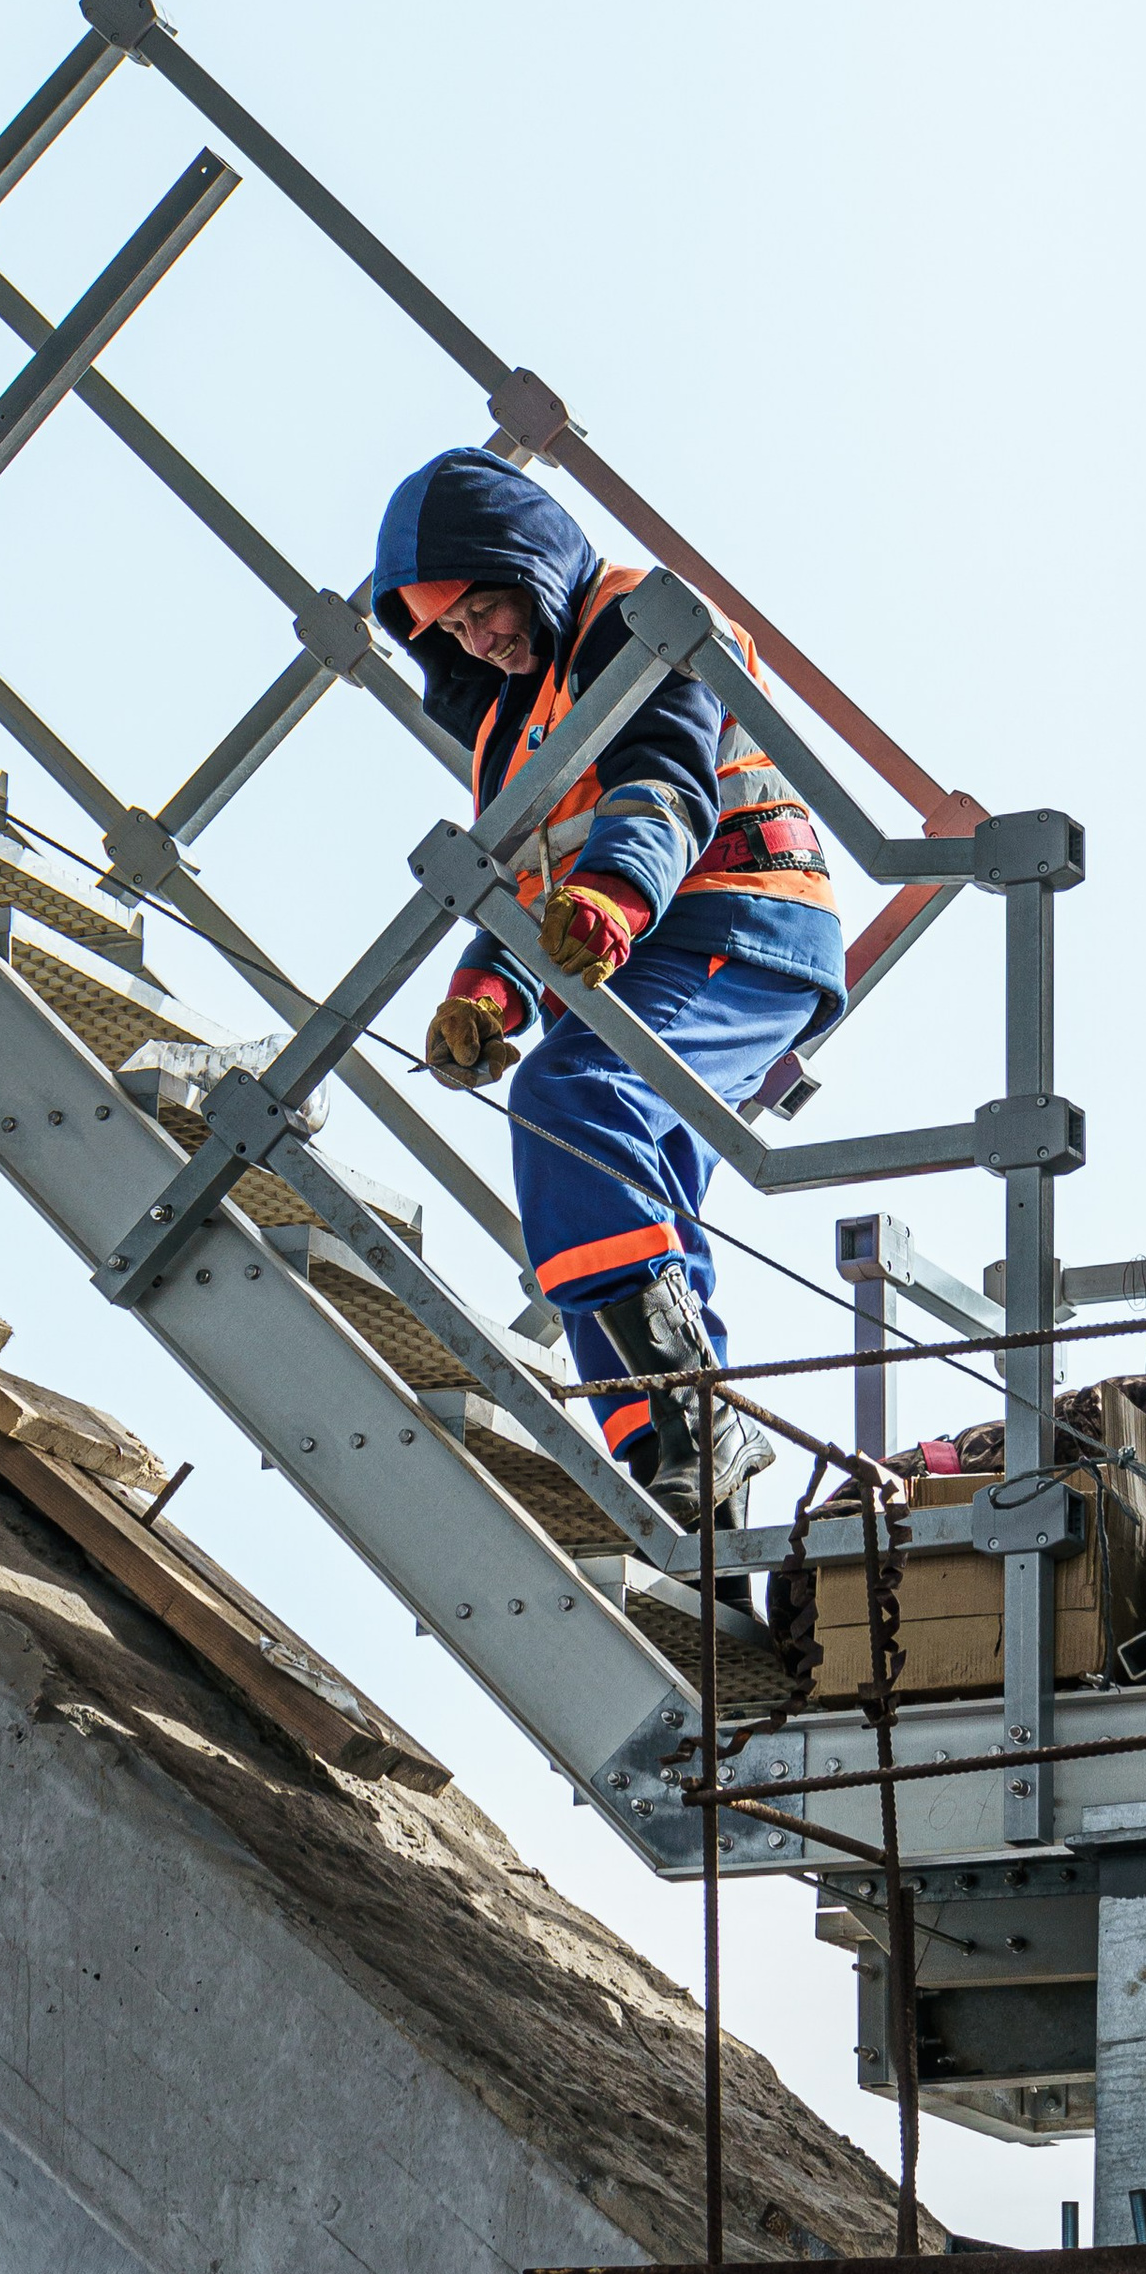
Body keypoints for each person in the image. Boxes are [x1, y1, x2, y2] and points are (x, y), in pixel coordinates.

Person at [372, 448, 845, 1528]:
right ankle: (687, 1485)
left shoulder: (632, 619)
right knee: (606, 1194)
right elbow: (525, 878)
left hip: (737, 922)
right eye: (449, 631)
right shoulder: (508, 726)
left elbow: (662, 779)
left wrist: (612, 898)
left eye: (482, 608)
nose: (476, 640)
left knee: (570, 1101)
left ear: (527, 567)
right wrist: (486, 998)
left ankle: (694, 1427)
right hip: (646, 949)